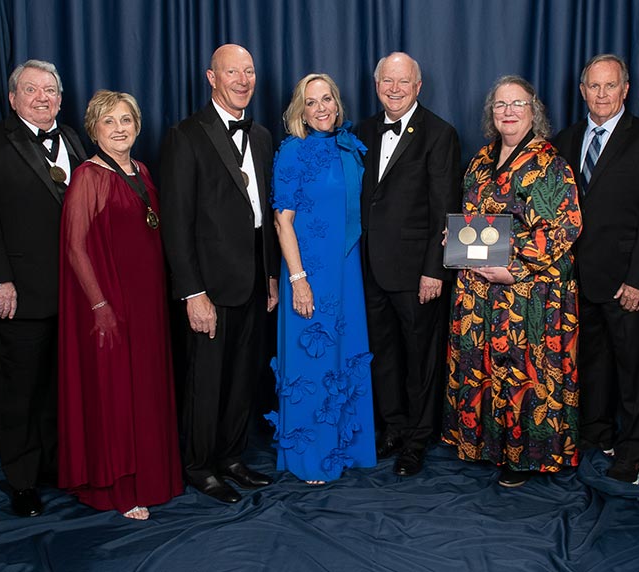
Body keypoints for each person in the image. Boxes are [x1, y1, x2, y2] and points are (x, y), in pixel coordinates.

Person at [441, 76, 582, 488]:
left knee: (522, 373)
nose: (508, 111)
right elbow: (472, 218)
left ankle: (523, 457)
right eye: (500, 104)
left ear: (532, 110)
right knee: (482, 367)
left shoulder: (550, 163)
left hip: (527, 291)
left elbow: (566, 227)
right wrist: (457, 237)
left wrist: (515, 269)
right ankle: (487, 446)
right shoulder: (481, 160)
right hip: (479, 290)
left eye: (517, 104)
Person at [0, 59, 87, 517]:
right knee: (19, 390)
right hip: (18, 292)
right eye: (32, 90)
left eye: (51, 90)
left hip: (73, 294)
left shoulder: (73, 138)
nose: (43, 98)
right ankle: (22, 480)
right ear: (13, 97)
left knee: (61, 386)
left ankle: (56, 465)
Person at [159, 44, 280, 503]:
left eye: (249, 71)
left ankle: (231, 457)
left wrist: (270, 275)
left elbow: (264, 217)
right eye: (233, 72)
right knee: (206, 380)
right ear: (212, 77)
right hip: (209, 283)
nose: (243, 80)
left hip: (253, 277)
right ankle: (199, 466)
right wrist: (192, 292)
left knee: (242, 377)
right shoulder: (186, 135)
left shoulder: (264, 136)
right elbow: (176, 222)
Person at [551, 54, 639, 484]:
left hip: (627, 281)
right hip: (575, 280)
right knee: (592, 363)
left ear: (625, 90)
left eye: (610, 86)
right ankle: (596, 433)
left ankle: (633, 448)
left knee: (635, 369)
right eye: (594, 86)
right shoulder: (565, 140)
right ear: (582, 90)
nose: (601, 95)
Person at [56, 90, 183, 520]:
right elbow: (74, 248)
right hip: (112, 300)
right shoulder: (88, 176)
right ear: (94, 129)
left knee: (146, 387)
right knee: (117, 391)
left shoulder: (143, 170)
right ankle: (122, 487)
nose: (119, 128)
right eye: (109, 122)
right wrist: (99, 305)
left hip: (148, 302)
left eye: (126, 119)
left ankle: (153, 475)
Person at [266, 73, 376, 484]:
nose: (321, 108)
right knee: (312, 361)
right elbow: (282, 221)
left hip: (346, 269)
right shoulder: (293, 152)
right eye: (311, 102)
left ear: (337, 102)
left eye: (327, 98)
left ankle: (345, 448)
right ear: (300, 110)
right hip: (309, 271)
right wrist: (298, 279)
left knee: (345, 354)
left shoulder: (349, 146)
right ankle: (311, 456)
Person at [357, 52, 462, 477]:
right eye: (387, 81)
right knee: (381, 354)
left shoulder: (439, 134)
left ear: (418, 87)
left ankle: (418, 439)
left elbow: (445, 209)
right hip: (369, 267)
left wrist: (434, 270)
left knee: (420, 357)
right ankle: (393, 427)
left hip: (417, 270)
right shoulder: (363, 130)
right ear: (377, 84)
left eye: (403, 82)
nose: (395, 89)